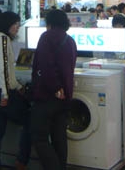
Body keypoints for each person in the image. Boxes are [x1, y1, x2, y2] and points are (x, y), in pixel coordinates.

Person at [0, 11, 30, 170]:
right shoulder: (3, 39)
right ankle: (21, 160)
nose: (17, 28)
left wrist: (17, 87)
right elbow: (3, 68)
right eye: (15, 25)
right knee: (29, 119)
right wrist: (6, 94)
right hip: (2, 92)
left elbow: (4, 70)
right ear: (8, 24)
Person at [30, 9, 77, 170]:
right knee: (59, 138)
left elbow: (45, 65)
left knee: (40, 138)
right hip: (65, 97)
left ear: (49, 22)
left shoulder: (46, 37)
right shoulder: (70, 40)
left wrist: (56, 87)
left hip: (47, 95)